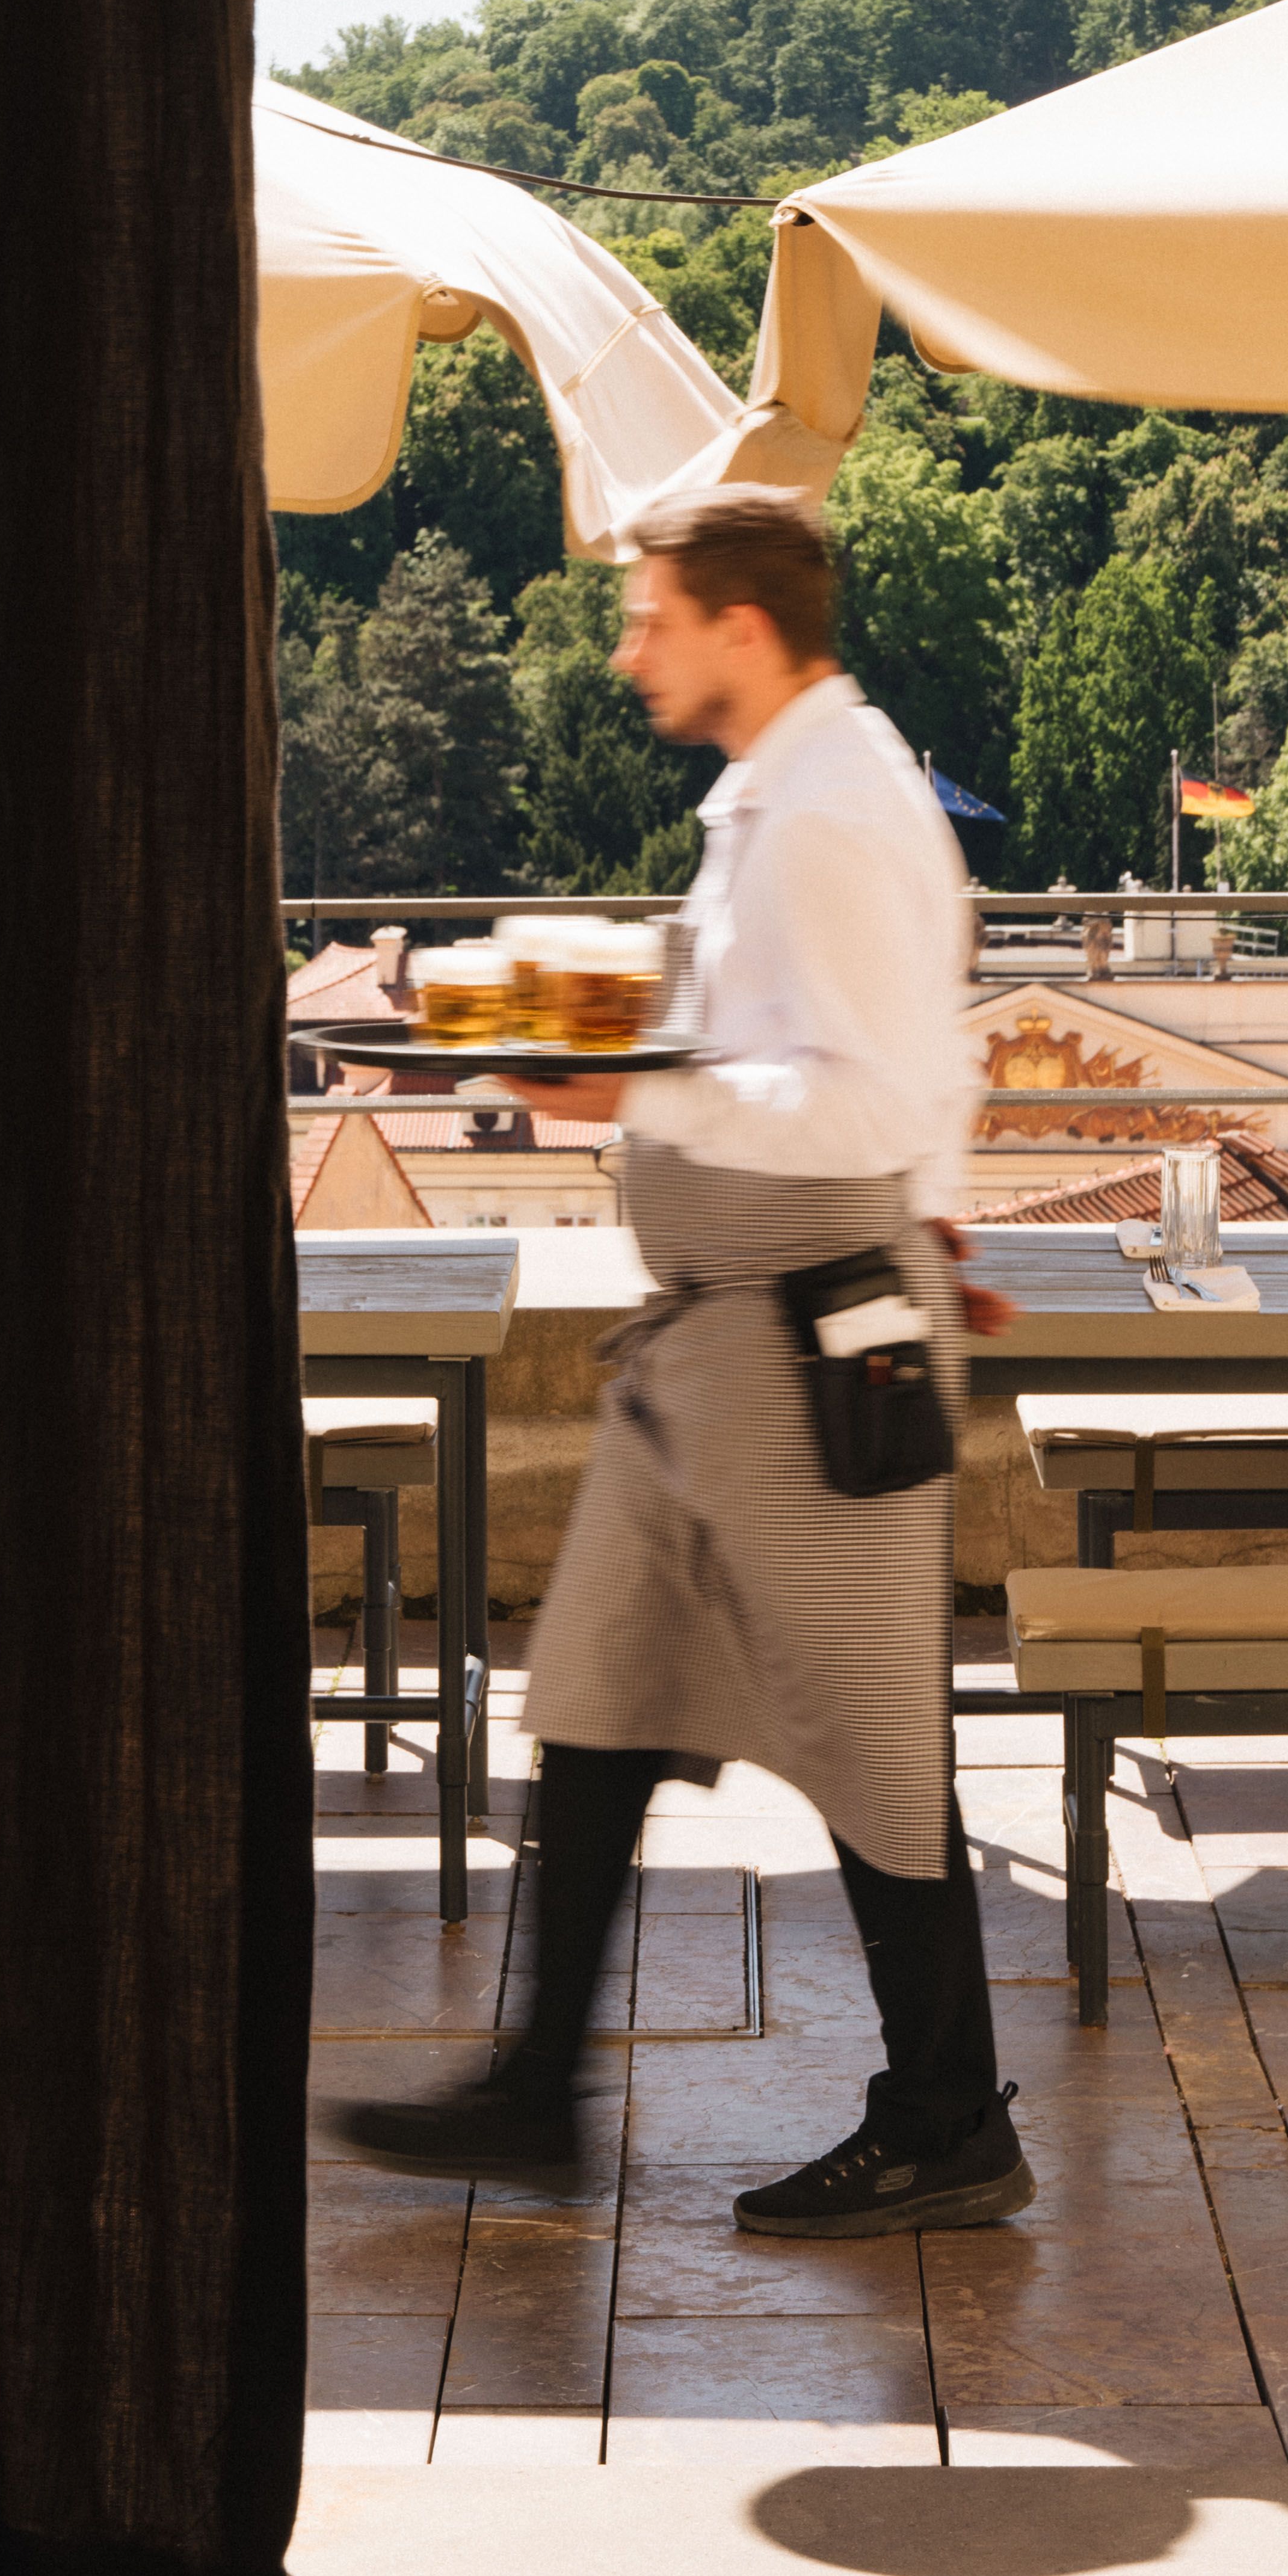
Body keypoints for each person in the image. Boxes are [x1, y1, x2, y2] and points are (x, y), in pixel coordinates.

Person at [328, 485, 1033, 2240]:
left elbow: (861, 1081)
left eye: (648, 616)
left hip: (797, 1346)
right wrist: (935, 1213)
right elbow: (909, 1058)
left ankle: (948, 2116)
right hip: (724, 1342)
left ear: (741, 625)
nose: (626, 646)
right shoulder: (795, 791)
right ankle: (533, 2090)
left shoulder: (818, 815)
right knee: (596, 1689)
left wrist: (625, 1089)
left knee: (871, 1743)